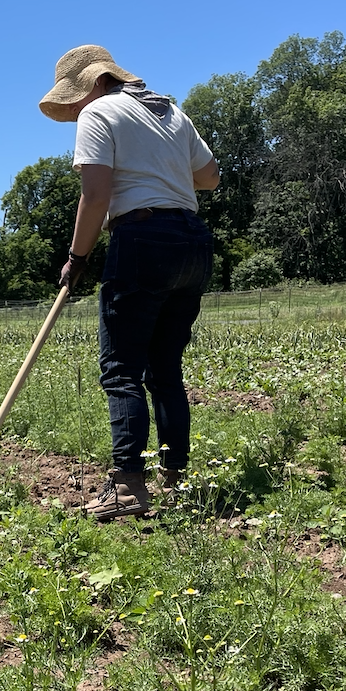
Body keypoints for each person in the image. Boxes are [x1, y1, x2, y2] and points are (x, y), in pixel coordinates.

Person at [40, 44, 220, 520]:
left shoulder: (99, 111)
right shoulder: (172, 112)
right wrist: (161, 169)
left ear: (96, 82)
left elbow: (95, 195)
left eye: (76, 96)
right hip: (193, 241)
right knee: (165, 369)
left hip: (142, 239)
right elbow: (209, 178)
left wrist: (77, 258)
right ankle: (176, 479)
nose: (77, 107)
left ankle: (127, 486)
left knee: (122, 371)